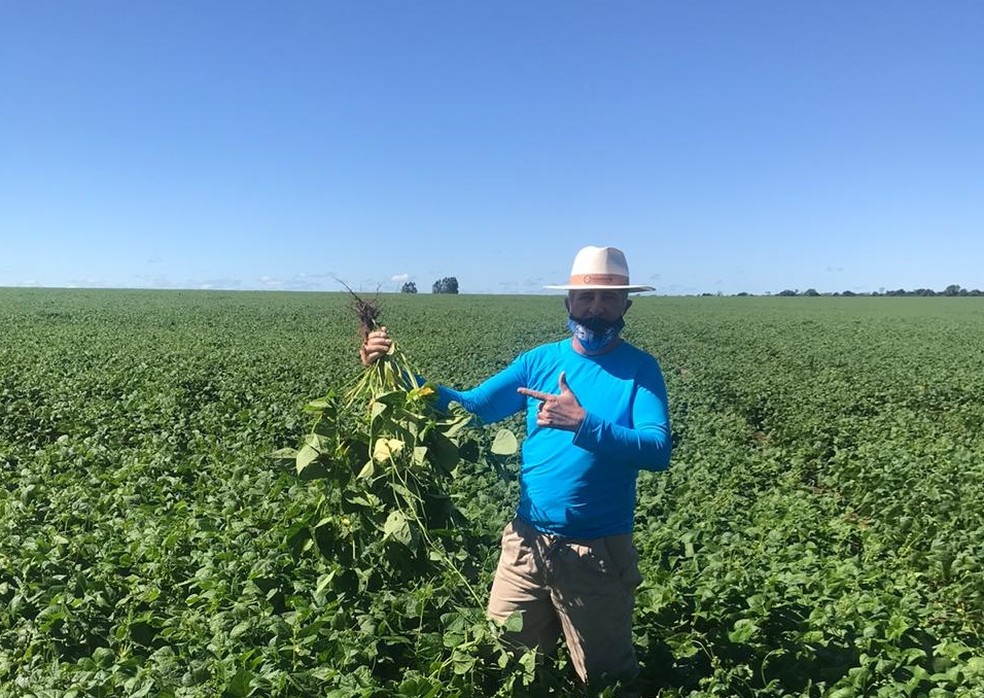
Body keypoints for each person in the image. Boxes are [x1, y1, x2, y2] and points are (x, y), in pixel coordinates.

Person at [360, 245, 672, 693]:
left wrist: (583, 423)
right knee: (507, 663)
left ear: (627, 304)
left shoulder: (641, 370)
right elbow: (473, 407)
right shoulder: (539, 361)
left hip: (596, 554)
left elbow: (657, 449)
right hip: (525, 543)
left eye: (608, 298)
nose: (596, 308)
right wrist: (395, 373)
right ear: (568, 303)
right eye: (586, 298)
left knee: (605, 681)